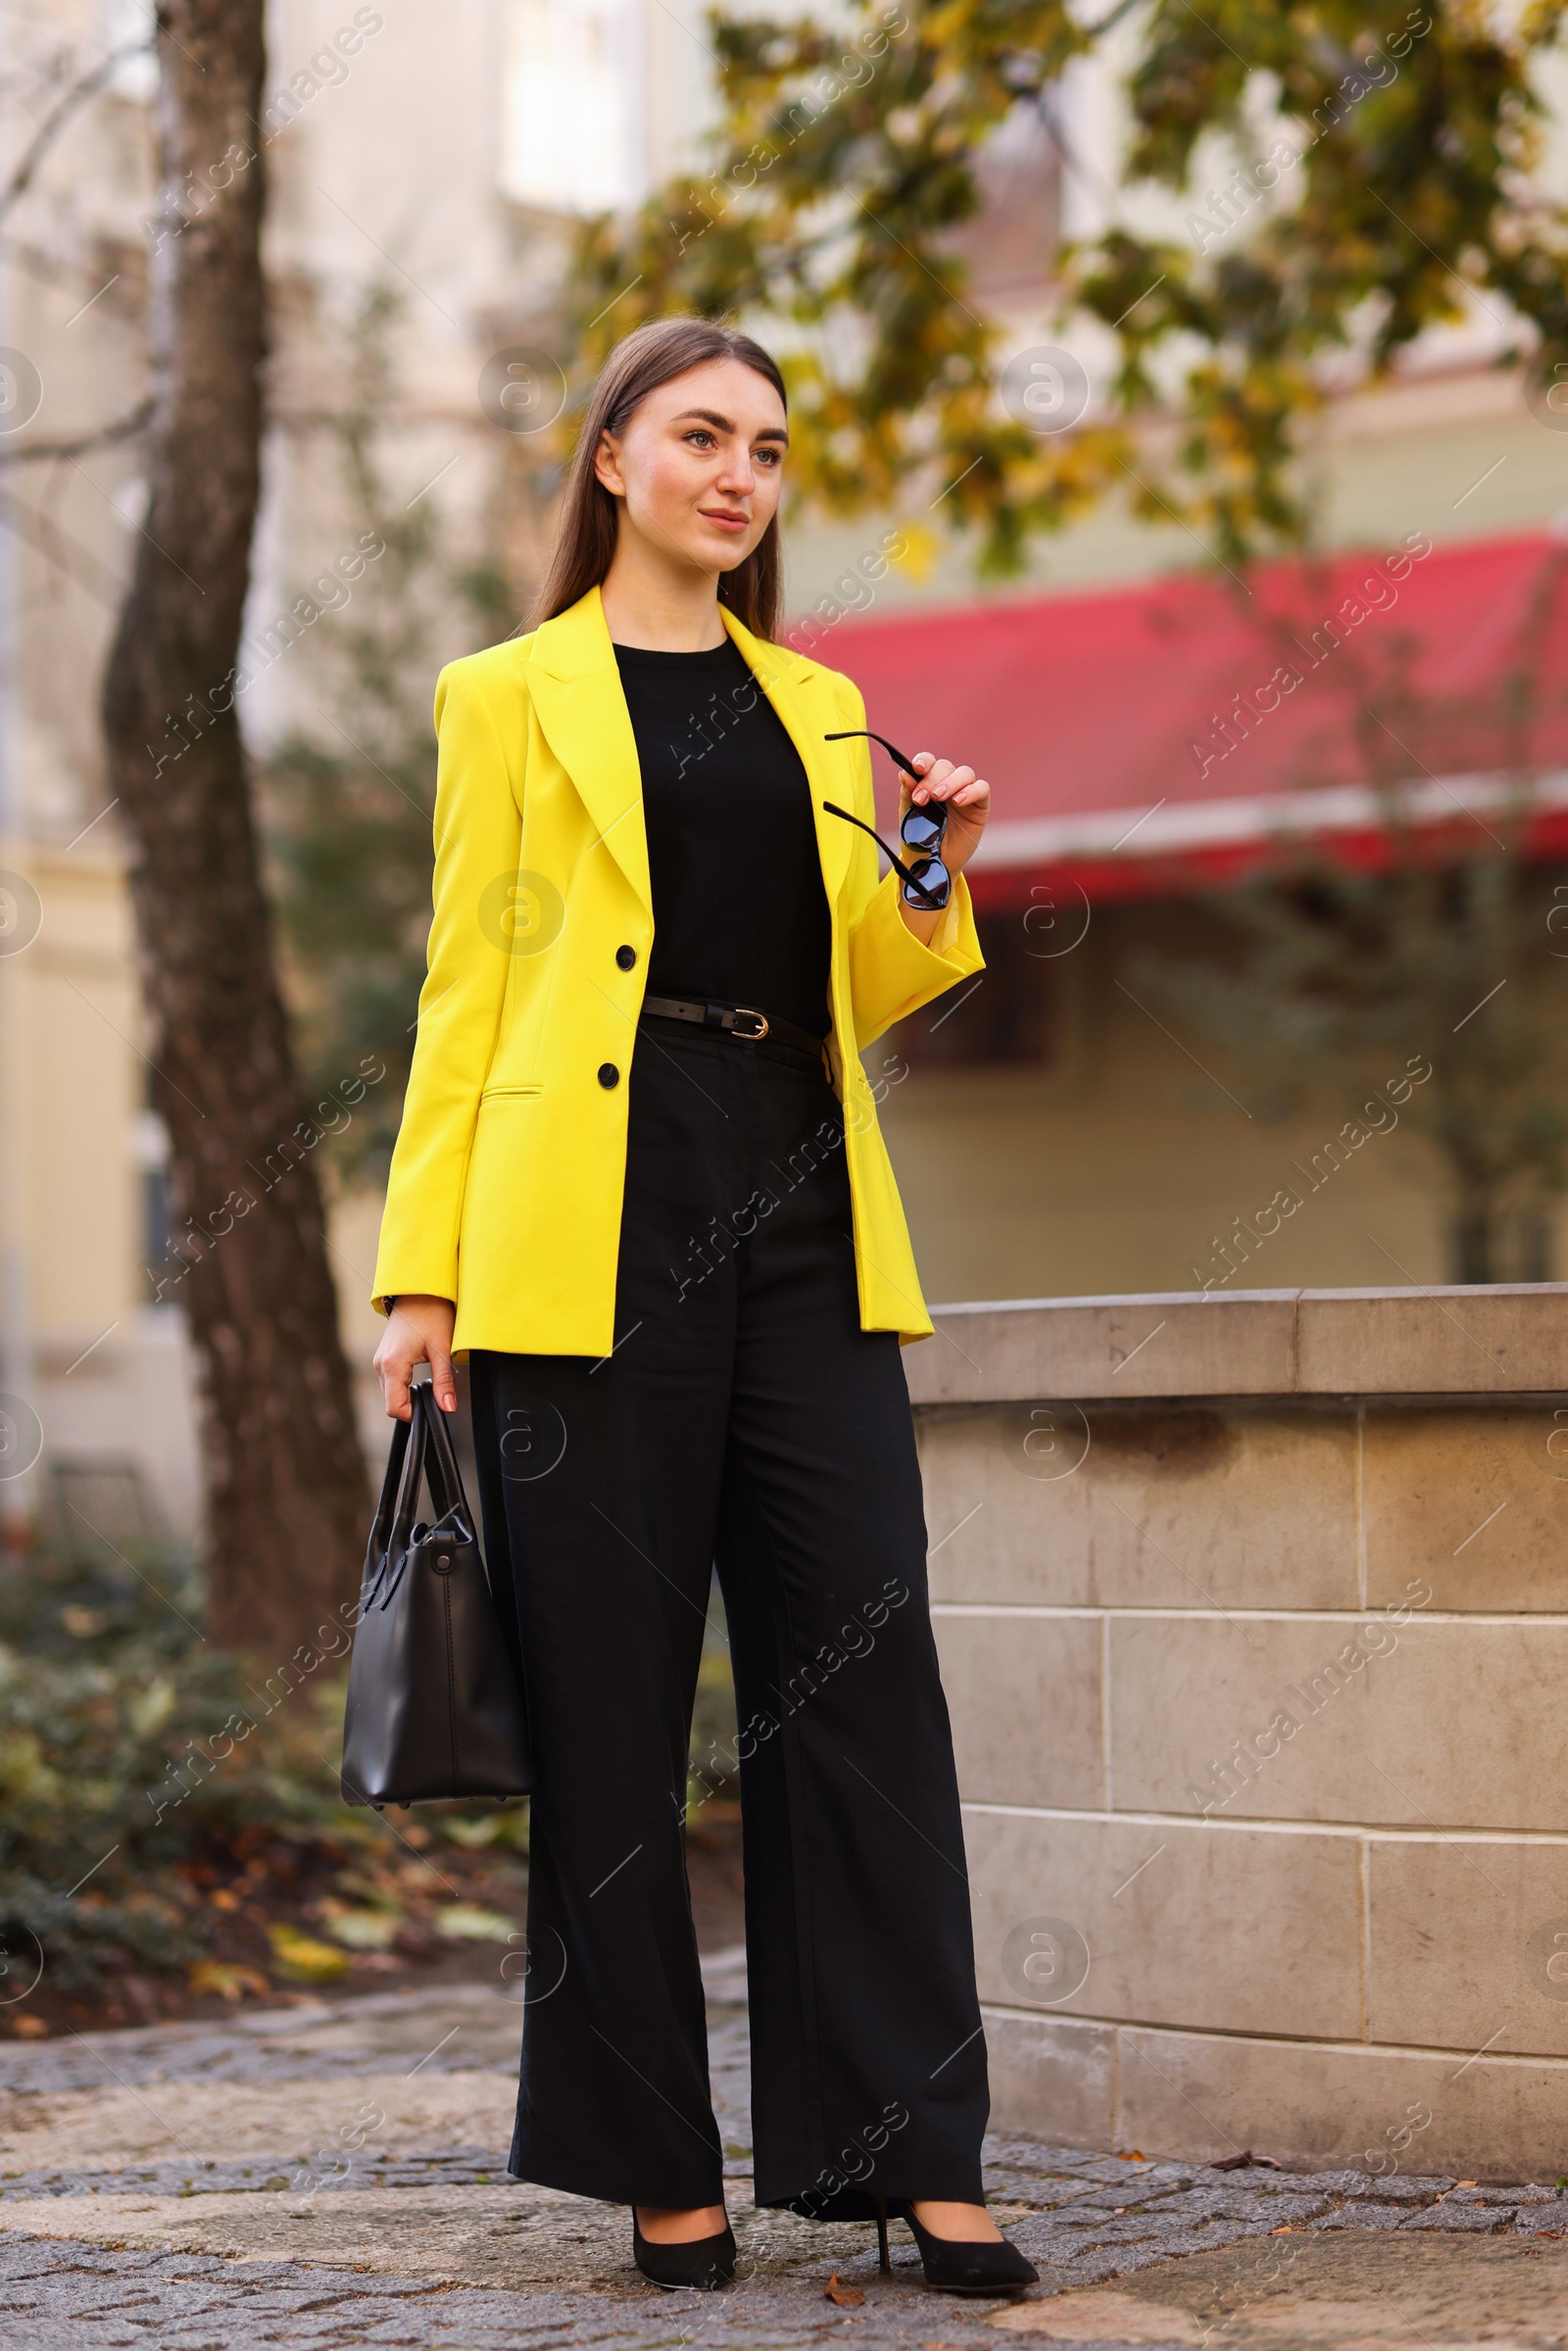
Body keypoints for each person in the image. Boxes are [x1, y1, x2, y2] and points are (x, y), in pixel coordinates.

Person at [370, 317, 1037, 2299]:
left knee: (857, 1676)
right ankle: (655, 2157)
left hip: (801, 1205)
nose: (737, 475)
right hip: (582, 1221)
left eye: (763, 447)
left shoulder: (825, 707)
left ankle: (913, 2152)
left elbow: (870, 976)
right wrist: (421, 1274)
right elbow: (464, 992)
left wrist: (933, 869)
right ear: (608, 461)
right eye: (697, 437)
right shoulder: (503, 697)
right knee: (608, 1707)